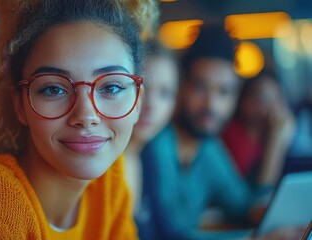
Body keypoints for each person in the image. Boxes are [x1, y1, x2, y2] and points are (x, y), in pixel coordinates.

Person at [0, 0, 155, 238]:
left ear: (138, 101)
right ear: (20, 105)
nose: (86, 115)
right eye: (53, 89)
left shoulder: (109, 182)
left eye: (111, 88)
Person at [141, 24, 261, 238]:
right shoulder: (150, 139)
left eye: (224, 92)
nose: (211, 105)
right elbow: (164, 234)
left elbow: (242, 205)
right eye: (200, 87)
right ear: (181, 86)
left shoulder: (209, 148)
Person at [123, 39, 183, 239]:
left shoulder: (147, 154)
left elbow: (165, 232)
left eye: (165, 93)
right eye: (142, 87)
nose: (151, 105)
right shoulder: (100, 166)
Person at [222, 70, 295, 187]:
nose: (273, 109)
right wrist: (276, 139)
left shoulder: (264, 136)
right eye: (263, 100)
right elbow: (261, 190)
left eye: (276, 101)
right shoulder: (231, 136)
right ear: (243, 101)